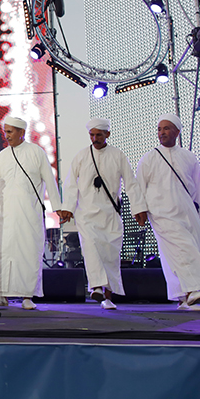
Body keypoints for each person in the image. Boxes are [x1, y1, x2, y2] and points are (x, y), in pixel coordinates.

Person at [136, 114, 200, 312]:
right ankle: (196, 287)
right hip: (160, 212)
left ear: (177, 132)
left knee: (180, 252)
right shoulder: (149, 158)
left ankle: (183, 299)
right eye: (159, 129)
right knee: (183, 247)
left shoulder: (189, 157)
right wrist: (139, 209)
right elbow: (138, 187)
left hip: (187, 210)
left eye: (166, 128)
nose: (162, 133)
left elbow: (197, 188)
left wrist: (199, 212)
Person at [60, 118, 148, 310]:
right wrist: (68, 207)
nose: (95, 138)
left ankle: (107, 296)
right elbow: (70, 184)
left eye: (99, 135)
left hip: (110, 214)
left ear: (107, 134)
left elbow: (131, 183)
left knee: (110, 255)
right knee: (91, 249)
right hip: (86, 214)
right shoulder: (81, 156)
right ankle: (96, 286)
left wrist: (138, 208)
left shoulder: (118, 155)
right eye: (91, 135)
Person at [0, 116, 63, 310]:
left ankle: (28, 296)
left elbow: (50, 181)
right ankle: (0, 293)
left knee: (29, 253)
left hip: (29, 213)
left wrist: (57, 207)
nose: (7, 135)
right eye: (5, 131)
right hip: (5, 214)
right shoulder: (2, 155)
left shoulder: (36, 153)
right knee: (3, 253)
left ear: (21, 132)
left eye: (10, 132)